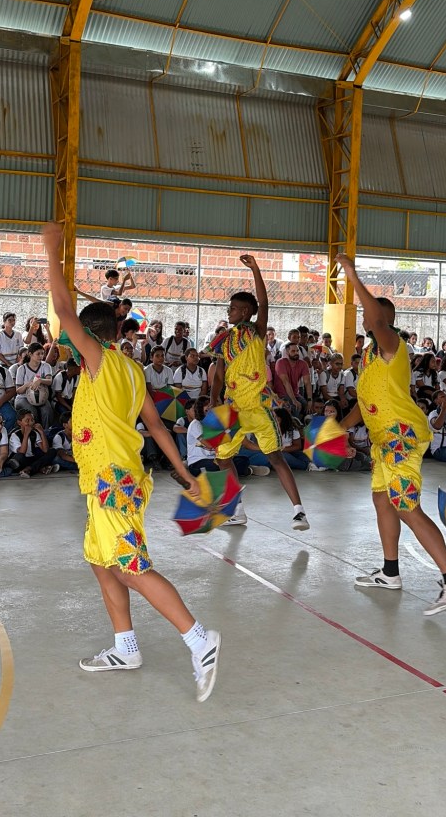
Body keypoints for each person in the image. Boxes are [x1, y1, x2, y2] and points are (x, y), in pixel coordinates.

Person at [42, 222, 221, 702]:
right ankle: (126, 647)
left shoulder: (99, 360)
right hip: (118, 479)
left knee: (128, 567)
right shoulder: (133, 370)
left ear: (89, 336)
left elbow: (63, 310)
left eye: (75, 336)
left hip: (112, 480)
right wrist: (183, 472)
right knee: (101, 562)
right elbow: (157, 427)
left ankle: (199, 639)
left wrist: (52, 250)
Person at [336, 253, 446, 616]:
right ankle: (390, 572)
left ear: (384, 321)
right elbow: (365, 404)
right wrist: (337, 430)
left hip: (401, 436)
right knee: (382, 500)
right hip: (384, 439)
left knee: (406, 505)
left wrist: (351, 274)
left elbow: (377, 318)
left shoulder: (392, 345)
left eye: (369, 316)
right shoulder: (369, 357)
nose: (365, 320)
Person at [209, 255, 309, 531]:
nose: (229, 312)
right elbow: (219, 374)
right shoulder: (224, 340)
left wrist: (255, 269)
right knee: (222, 458)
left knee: (275, 457)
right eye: (229, 308)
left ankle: (299, 512)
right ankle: (237, 510)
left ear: (245, 312)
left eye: (233, 308)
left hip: (258, 405)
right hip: (233, 407)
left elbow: (264, 304)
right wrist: (213, 399)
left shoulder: (256, 332)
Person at [8, 407, 59, 476]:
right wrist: (26, 435)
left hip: (31, 458)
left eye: (32, 420)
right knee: (20, 457)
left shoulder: (34, 433)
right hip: (21, 461)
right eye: (27, 420)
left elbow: (45, 450)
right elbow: (21, 452)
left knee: (52, 451)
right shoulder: (15, 435)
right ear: (19, 423)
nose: (31, 423)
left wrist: (42, 432)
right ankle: (40, 468)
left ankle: (30, 469)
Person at [14, 342, 54, 427]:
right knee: (32, 412)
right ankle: (33, 432)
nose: (41, 356)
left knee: (47, 411)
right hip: (23, 397)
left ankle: (46, 432)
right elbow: (18, 390)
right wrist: (27, 385)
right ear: (30, 354)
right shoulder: (22, 369)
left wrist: (40, 380)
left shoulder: (46, 366)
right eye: (38, 354)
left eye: (42, 353)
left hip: (42, 397)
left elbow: (49, 381)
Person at [273, 341, 312, 416]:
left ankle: (305, 422)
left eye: (297, 351)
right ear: (287, 352)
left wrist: (310, 400)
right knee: (295, 407)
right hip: (281, 395)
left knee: (308, 407)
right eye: (293, 351)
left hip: (295, 394)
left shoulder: (303, 364)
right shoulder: (280, 362)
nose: (296, 353)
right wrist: (294, 400)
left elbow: (307, 382)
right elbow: (286, 382)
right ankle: (295, 422)